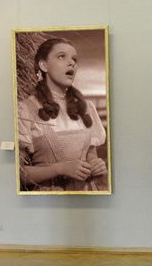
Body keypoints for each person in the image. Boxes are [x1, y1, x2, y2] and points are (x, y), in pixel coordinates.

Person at [17, 38, 107, 191]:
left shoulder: (86, 108)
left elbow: (91, 159)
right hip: (50, 200)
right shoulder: (25, 110)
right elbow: (18, 174)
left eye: (74, 59)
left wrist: (97, 169)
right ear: (43, 65)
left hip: (87, 195)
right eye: (61, 56)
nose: (71, 62)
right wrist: (59, 169)